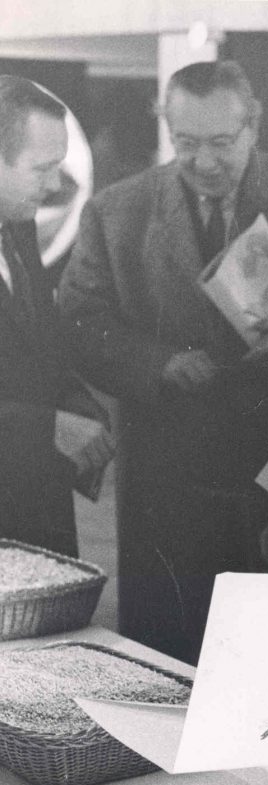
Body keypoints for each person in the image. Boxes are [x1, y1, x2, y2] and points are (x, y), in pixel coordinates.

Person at [59, 61, 268, 664]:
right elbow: (79, 325)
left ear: (254, 127)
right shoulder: (116, 212)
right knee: (165, 656)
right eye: (186, 143)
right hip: (168, 478)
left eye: (221, 144)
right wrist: (158, 362)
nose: (203, 162)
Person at [0, 75, 113, 556]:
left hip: (35, 516)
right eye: (42, 169)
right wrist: (49, 428)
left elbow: (33, 347)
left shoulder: (19, 229)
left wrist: (74, 400)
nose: (55, 186)